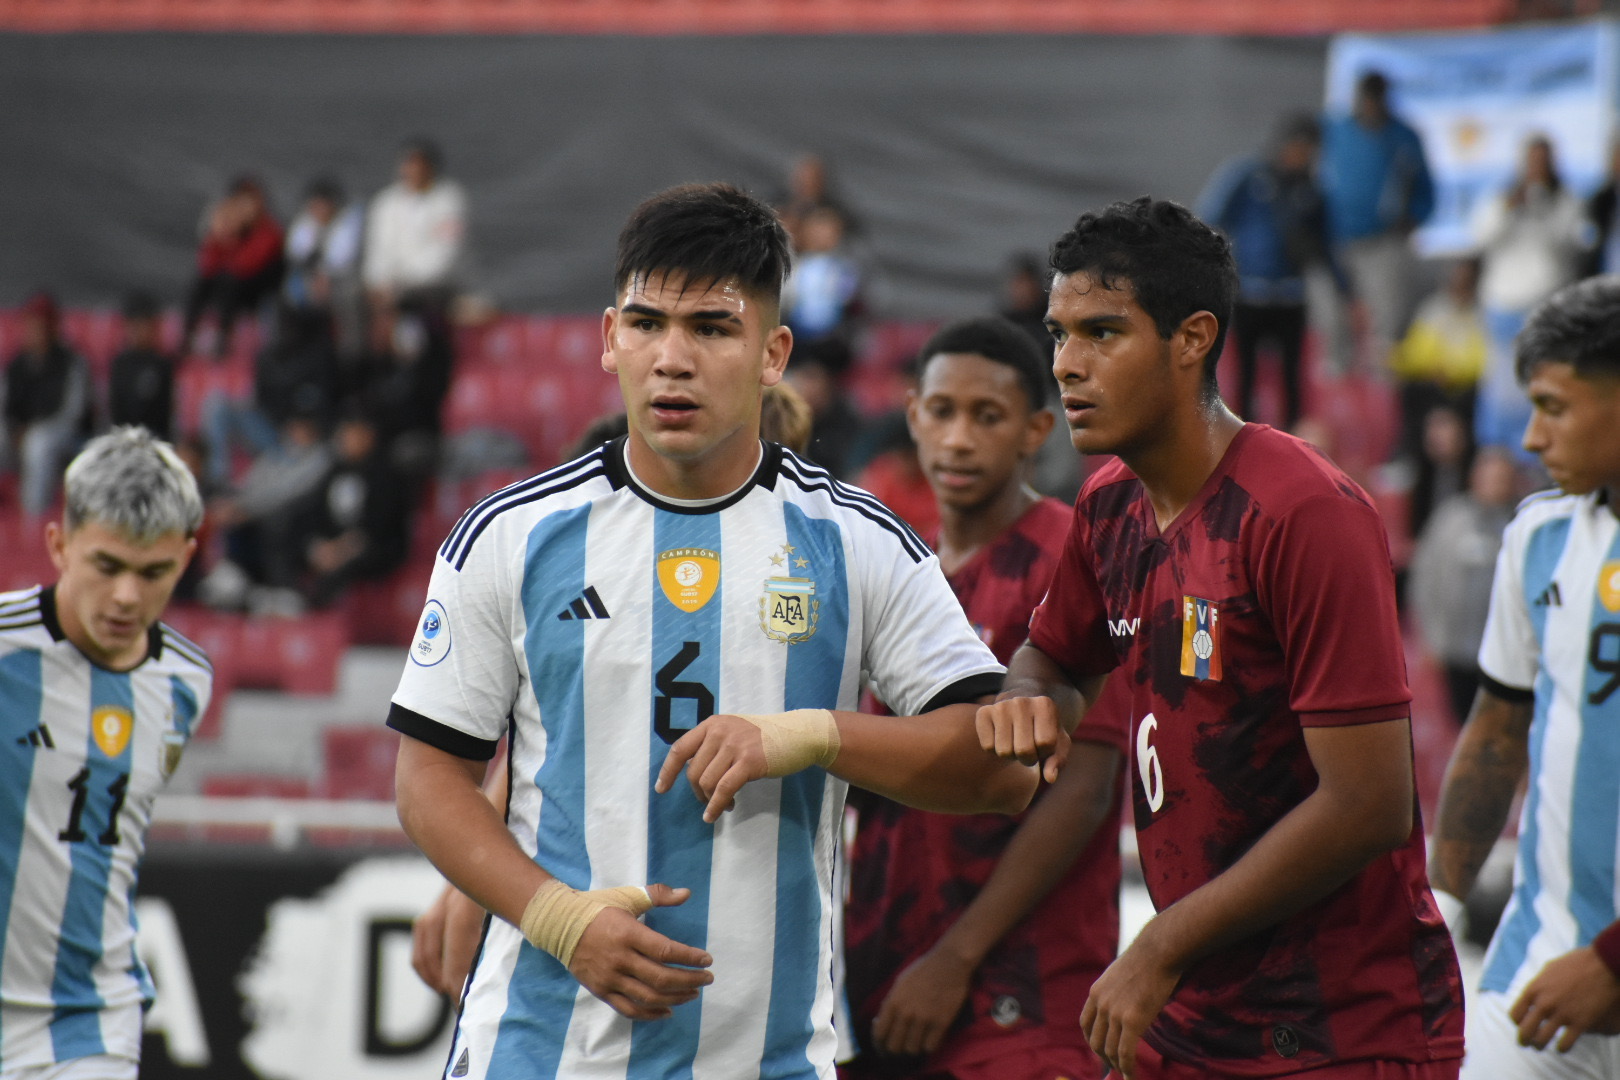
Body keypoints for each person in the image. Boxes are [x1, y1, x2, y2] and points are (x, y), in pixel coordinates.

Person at [388, 182, 1037, 1080]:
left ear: (774, 353)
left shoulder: (855, 541)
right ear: (609, 338)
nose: (673, 359)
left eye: (713, 329)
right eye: (648, 324)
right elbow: (428, 777)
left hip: (767, 1056)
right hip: (538, 1052)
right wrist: (558, 920)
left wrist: (807, 736)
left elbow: (1002, 771)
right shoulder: (510, 535)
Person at [976, 196, 1464, 1079]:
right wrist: (1026, 699)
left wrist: (1160, 945)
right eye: (1057, 334)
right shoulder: (1108, 504)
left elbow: (1369, 806)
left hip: (1342, 1027)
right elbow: (1051, 656)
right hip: (1195, 1018)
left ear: (1193, 336)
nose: (1066, 366)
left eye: (1102, 333)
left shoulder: (1305, 512)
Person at [840, 316, 1127, 1080]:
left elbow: (1085, 791)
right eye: (942, 413)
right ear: (912, 417)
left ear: (1036, 428)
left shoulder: (1074, 554)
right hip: (885, 961)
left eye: (987, 416)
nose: (959, 439)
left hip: (1019, 980)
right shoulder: (902, 570)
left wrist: (956, 956)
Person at [1428, 275, 1620, 1078]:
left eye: (1554, 406)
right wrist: (1434, 907)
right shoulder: (1538, 538)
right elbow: (1498, 731)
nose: (1532, 438)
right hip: (1544, 964)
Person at [0, 425, 211, 1079]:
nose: (128, 596)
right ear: (59, 545)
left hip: (87, 1022)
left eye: (154, 573)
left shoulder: (186, 682)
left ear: (186, 556)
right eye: (108, 565)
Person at [1197, 113, 1345, 430]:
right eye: (1299, 148)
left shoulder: (1311, 192)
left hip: (1290, 296)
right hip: (1249, 292)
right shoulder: (1247, 177)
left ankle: (1291, 439)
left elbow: (1328, 246)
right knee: (1245, 374)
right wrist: (1216, 269)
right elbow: (1210, 219)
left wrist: (1346, 291)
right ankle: (1243, 438)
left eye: (1310, 152)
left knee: (1292, 376)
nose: (1302, 157)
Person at [1470, 135, 1586, 458]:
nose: (1536, 167)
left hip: (1543, 310)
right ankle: (1497, 457)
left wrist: (1545, 206)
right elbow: (1482, 236)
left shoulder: (1566, 200)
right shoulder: (1500, 196)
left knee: (1540, 387)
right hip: (1502, 309)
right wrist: (1511, 205)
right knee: (1500, 389)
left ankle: (1535, 458)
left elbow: (1571, 245)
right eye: (1531, 160)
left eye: (1542, 160)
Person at [1319, 70, 1435, 372]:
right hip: (1336, 238)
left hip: (1383, 242)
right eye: (1365, 97)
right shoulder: (1335, 131)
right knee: (1332, 318)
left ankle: (1384, 388)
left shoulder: (1403, 137)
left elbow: (1425, 189)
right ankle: (1335, 387)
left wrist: (1413, 219)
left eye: (1376, 97)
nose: (1370, 104)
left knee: (1387, 319)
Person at [1408, 446, 1520, 727]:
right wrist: (1430, 636)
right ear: (1474, 477)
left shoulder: (1521, 522)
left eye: (1503, 479)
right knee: (1461, 723)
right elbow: (1424, 577)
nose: (1496, 485)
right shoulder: (1450, 518)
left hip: (1504, 652)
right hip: (1455, 648)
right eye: (1490, 477)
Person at [179, 175, 285, 359]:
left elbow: (247, 265)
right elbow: (207, 265)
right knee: (202, 284)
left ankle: (223, 341)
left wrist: (230, 239)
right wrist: (217, 234)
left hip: (258, 289)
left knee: (230, 282)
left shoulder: (269, 229)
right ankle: (188, 335)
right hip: (232, 282)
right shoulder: (226, 224)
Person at [4, 292, 90, 519]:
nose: (36, 329)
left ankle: (33, 522)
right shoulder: (17, 364)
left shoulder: (70, 362)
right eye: (31, 323)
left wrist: (30, 430)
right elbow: (7, 408)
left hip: (66, 436)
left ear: (53, 326)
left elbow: (73, 413)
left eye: (42, 323)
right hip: (21, 433)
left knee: (38, 443)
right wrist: (14, 430)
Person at [106, 291, 175, 440]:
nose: (138, 330)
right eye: (133, 324)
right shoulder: (120, 364)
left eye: (143, 324)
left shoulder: (162, 364)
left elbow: (166, 414)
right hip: (123, 436)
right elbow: (115, 409)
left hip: (155, 437)